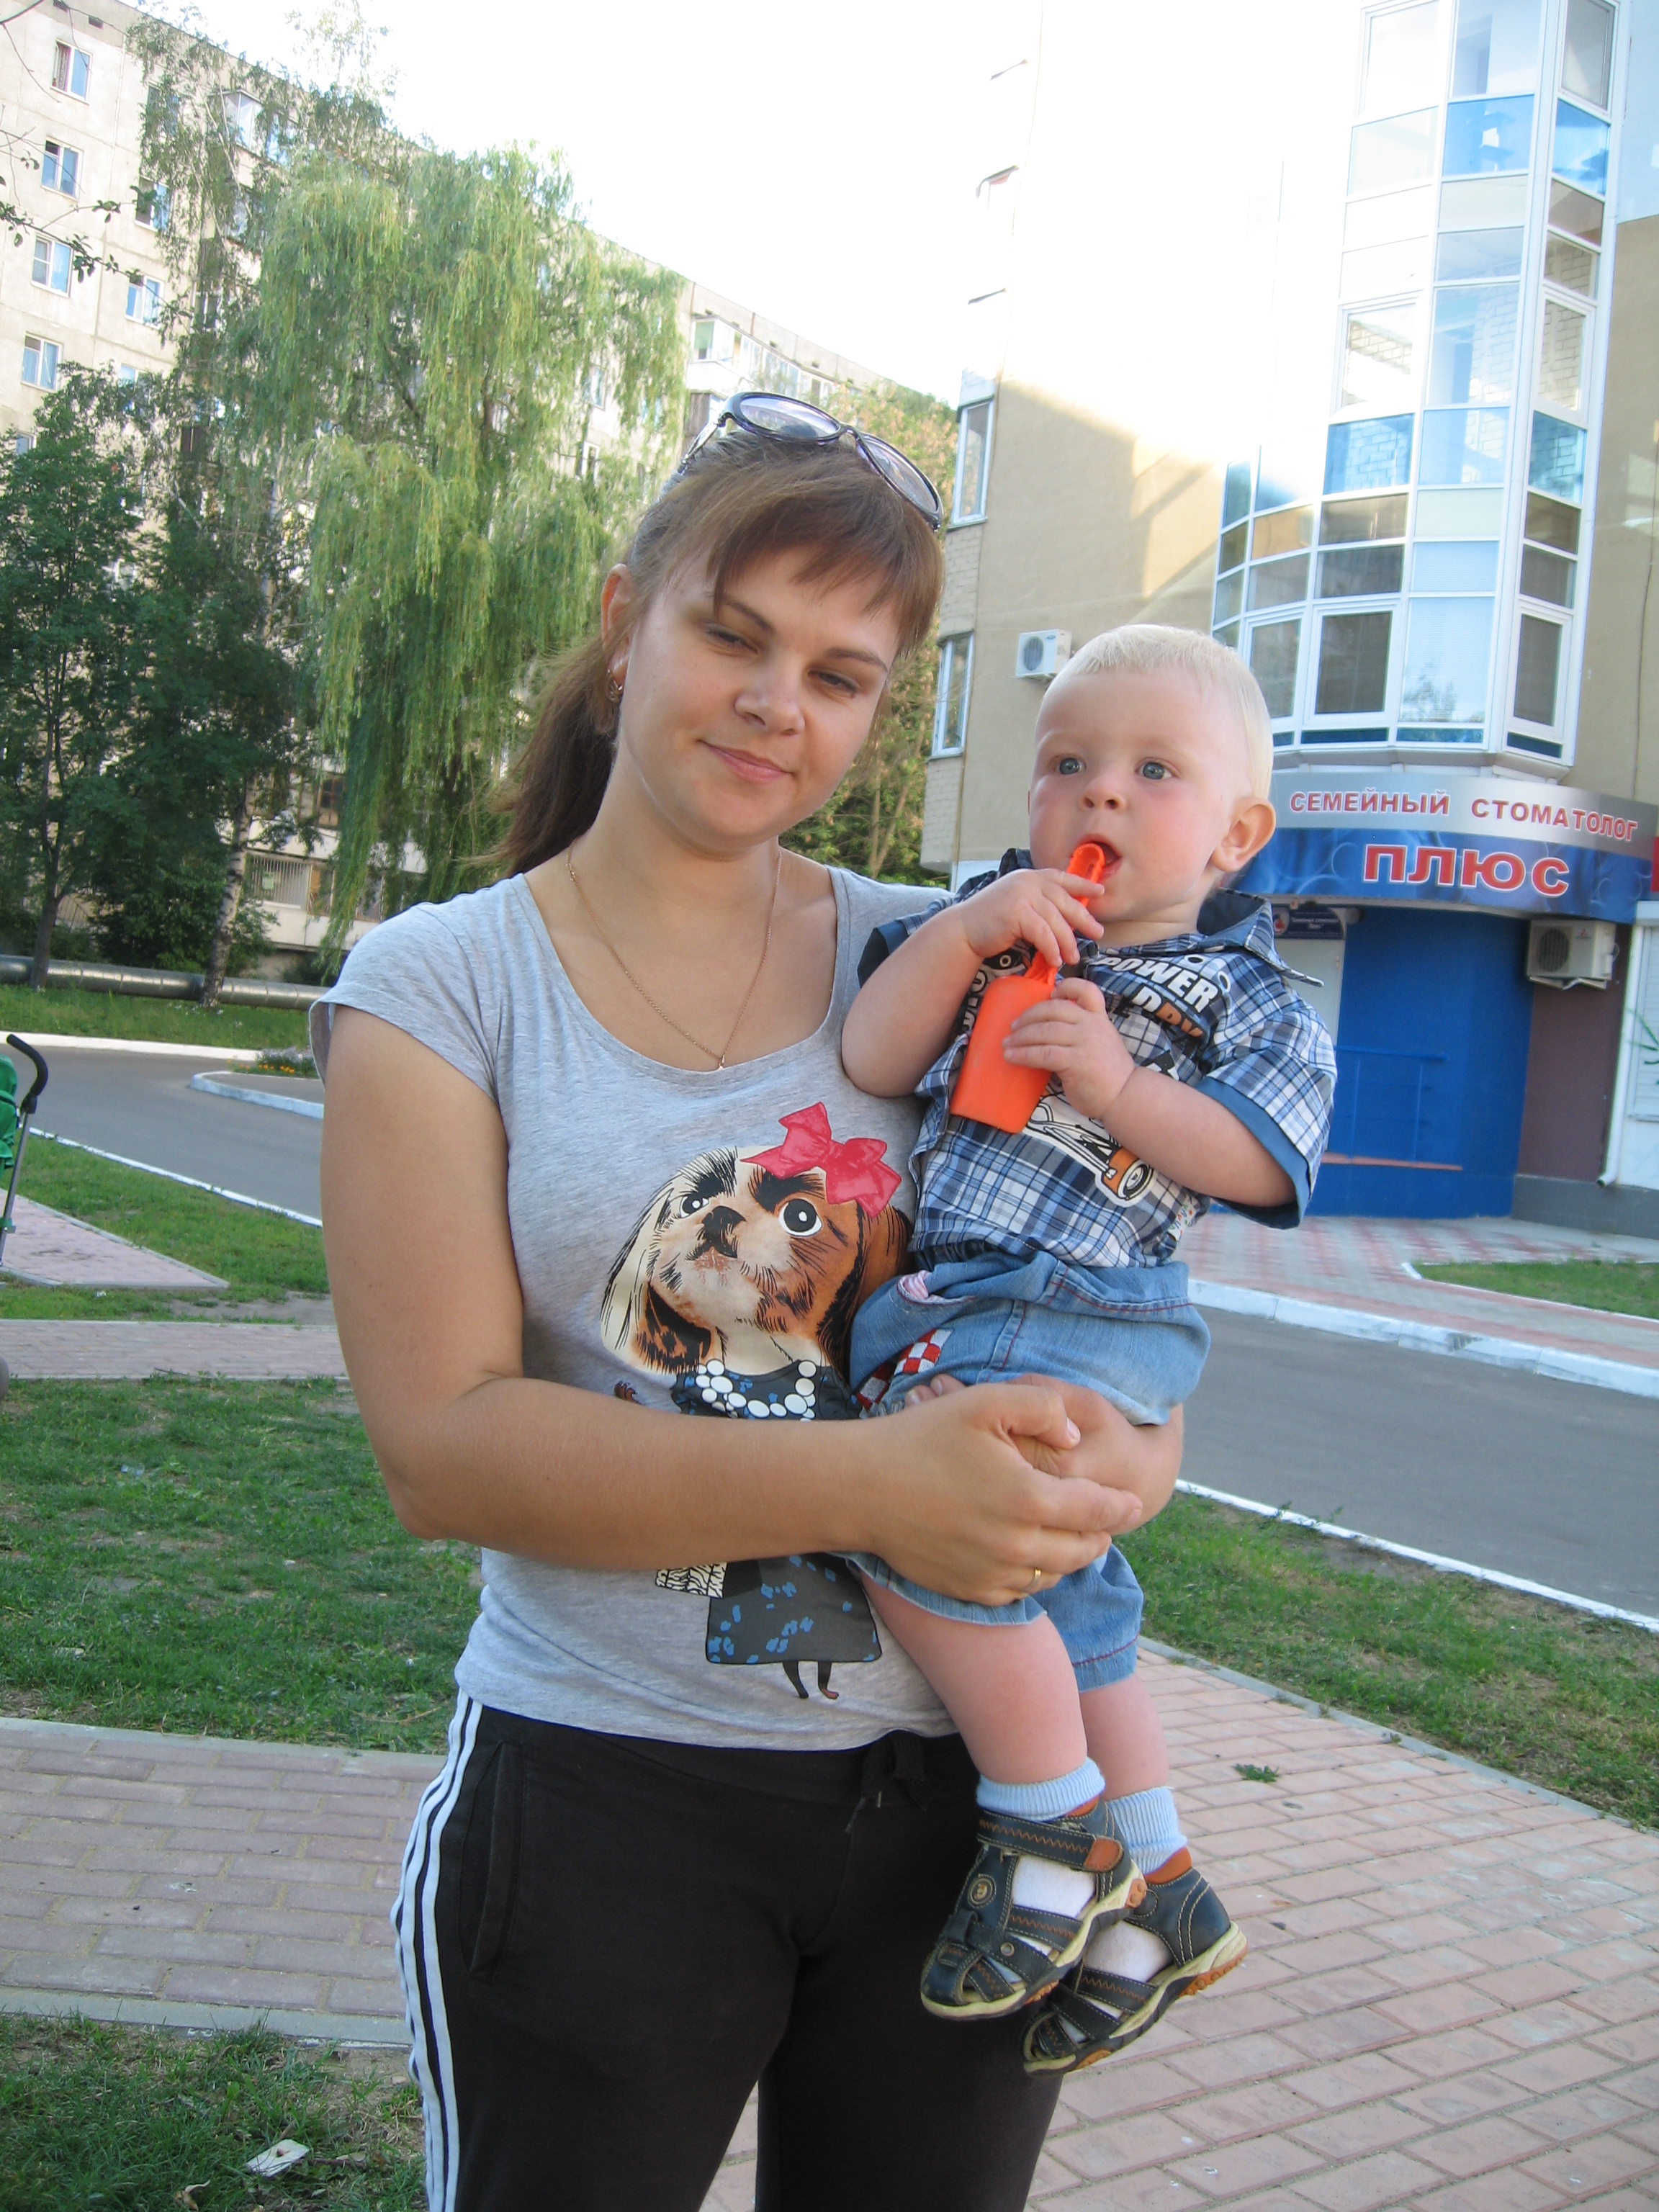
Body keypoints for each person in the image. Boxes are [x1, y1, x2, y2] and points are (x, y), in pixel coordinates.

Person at [313, 395, 1184, 2212]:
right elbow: (442, 1452)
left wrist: (1130, 1455)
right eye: (734, 634)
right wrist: (880, 1484)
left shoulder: (949, 953)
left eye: (842, 675)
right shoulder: (439, 988)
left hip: (979, 1823)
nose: (779, 704)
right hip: (609, 1801)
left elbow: (1101, 1271)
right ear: (626, 622)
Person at [840, 624, 1336, 2074]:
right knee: (1069, 1587)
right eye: (1068, 764)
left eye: (1154, 773)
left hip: (1084, 1301)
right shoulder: (994, 933)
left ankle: (1049, 1822)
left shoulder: (1244, 994)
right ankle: (1162, 1887)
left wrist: (1114, 1082)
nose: (1102, 794)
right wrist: (963, 937)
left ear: (1236, 837)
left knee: (905, 1514)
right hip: (966, 1296)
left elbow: (1260, 1162)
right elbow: (874, 1057)